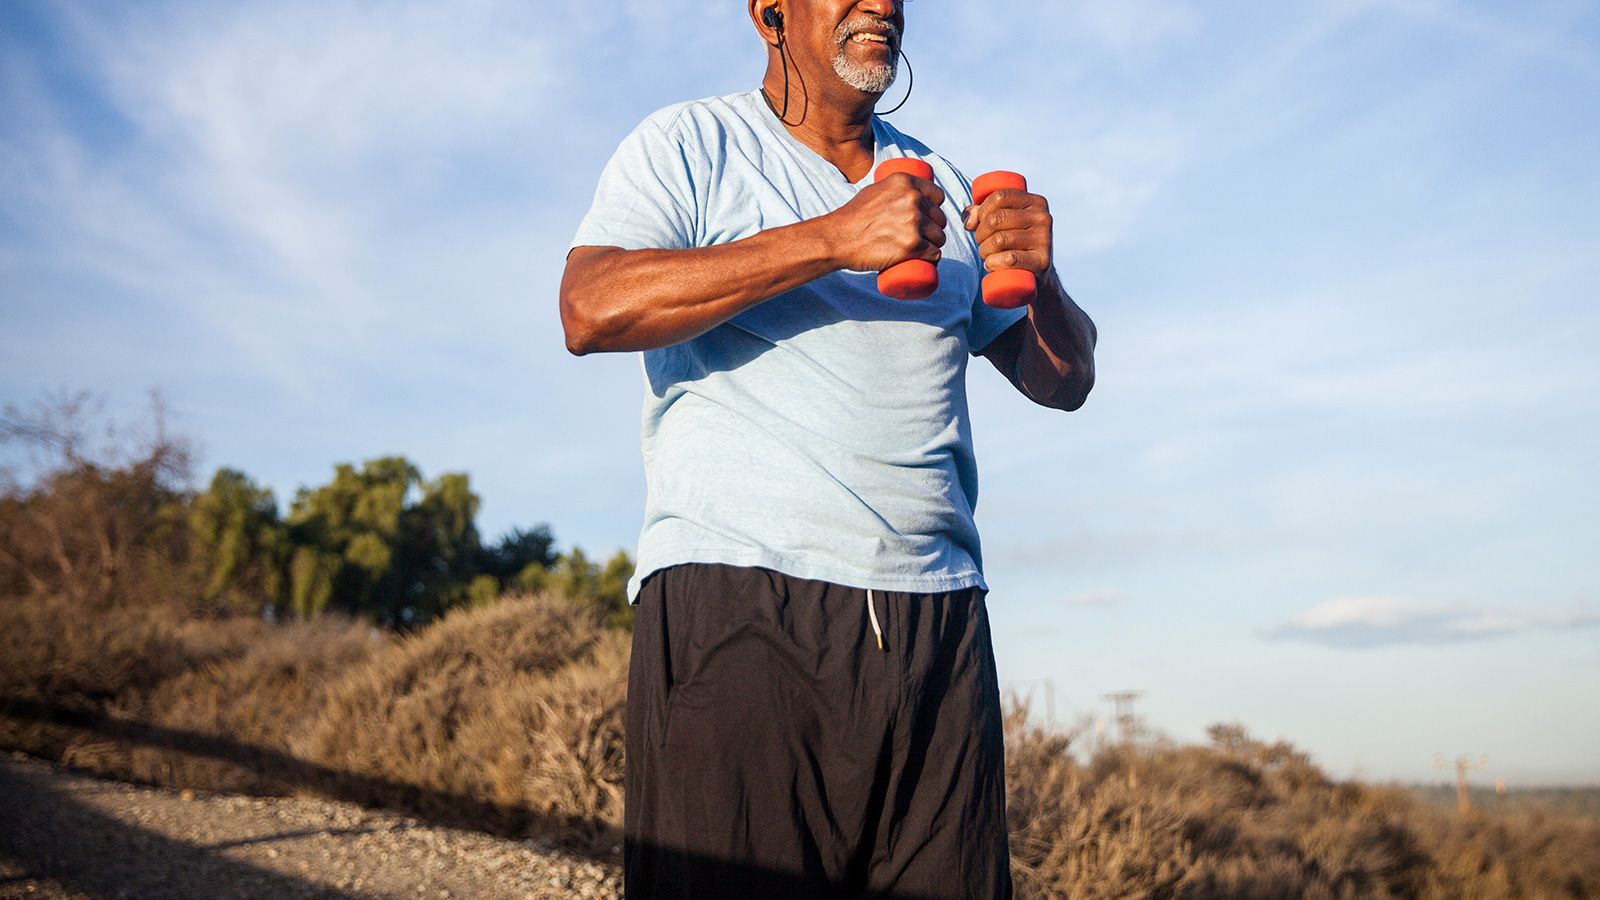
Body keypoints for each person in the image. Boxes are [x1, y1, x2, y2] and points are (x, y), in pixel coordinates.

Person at [561, 1, 1096, 896]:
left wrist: (1043, 278)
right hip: (742, 604)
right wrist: (833, 240)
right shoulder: (692, 143)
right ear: (770, 9)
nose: (881, 3)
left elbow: (1063, 379)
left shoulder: (940, 183)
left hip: (939, 618)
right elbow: (592, 307)